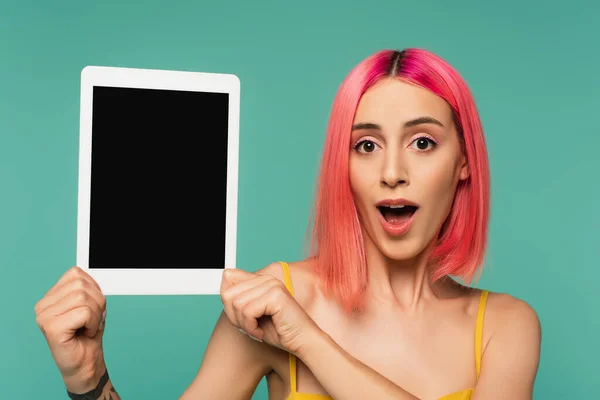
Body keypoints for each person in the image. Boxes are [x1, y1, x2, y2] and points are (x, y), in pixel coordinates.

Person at [35, 48, 542, 400]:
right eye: (366, 145)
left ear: (464, 161)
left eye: (422, 142)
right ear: (342, 166)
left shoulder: (506, 327)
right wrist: (88, 377)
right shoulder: (271, 301)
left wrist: (309, 341)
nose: (392, 173)